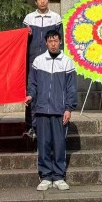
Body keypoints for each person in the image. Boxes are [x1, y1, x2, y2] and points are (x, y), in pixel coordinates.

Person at [25, 29, 77, 191]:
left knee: (59, 144)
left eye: (56, 41)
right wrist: (30, 95)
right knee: (43, 144)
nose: (53, 44)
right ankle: (46, 176)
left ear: (60, 42)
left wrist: (68, 108)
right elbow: (33, 83)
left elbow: (71, 88)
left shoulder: (67, 62)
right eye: (50, 41)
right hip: (41, 110)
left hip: (59, 111)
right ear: (46, 43)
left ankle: (59, 176)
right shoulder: (38, 61)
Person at [22, 0, 62, 139]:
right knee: (32, 93)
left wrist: (58, 58)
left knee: (49, 91)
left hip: (50, 61)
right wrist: (26, 34)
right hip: (32, 61)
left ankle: (50, 126)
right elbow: (21, 41)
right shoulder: (29, 18)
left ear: (48, 0)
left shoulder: (56, 18)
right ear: (36, 2)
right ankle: (31, 126)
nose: (42, 1)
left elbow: (60, 42)